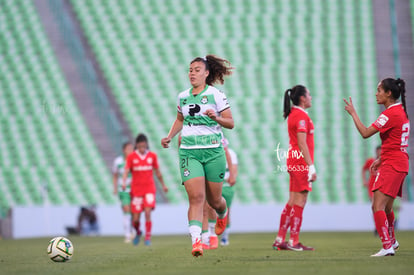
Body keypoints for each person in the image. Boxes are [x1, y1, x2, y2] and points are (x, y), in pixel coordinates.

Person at [161, 54, 234, 257]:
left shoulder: (216, 95)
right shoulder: (183, 96)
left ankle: (222, 213)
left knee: (214, 200)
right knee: (196, 198)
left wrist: (217, 117)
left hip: (213, 152)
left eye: (196, 70)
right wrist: (169, 136)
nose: (192, 73)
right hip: (189, 152)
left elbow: (231, 122)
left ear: (206, 73)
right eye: (190, 70)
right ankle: (197, 241)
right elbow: (179, 120)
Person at [344, 77, 409, 257]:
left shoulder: (389, 114)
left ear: (389, 93)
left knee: (377, 206)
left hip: (393, 164)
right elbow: (396, 140)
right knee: (387, 208)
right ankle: (393, 241)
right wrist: (381, 159)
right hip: (398, 162)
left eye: (379, 90)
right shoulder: (401, 111)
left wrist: (353, 113)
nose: (376, 93)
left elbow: (365, 133)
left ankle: (387, 246)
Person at [272, 85, 316, 251]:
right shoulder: (301, 116)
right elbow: (302, 142)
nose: (311, 98)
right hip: (300, 162)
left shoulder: (294, 114)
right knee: (300, 200)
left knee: (292, 200)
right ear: (303, 98)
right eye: (309, 95)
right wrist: (311, 166)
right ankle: (294, 241)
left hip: (294, 160)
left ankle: (280, 239)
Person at [123, 133, 168, 246]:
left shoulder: (152, 156)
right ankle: (138, 232)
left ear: (146, 145)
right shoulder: (131, 157)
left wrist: (163, 185)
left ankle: (148, 237)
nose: (142, 148)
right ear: (137, 145)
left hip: (149, 189)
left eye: (144, 146)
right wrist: (124, 182)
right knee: (136, 218)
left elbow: (157, 172)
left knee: (148, 212)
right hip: (136, 190)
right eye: (140, 146)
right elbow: (126, 171)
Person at [201, 138, 238, 249]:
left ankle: (225, 236)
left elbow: (234, 169)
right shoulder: (207, 149)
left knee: (226, 210)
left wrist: (232, 176)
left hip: (226, 186)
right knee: (208, 207)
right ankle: (209, 236)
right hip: (214, 183)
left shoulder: (230, 153)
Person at [112, 142, 134, 243]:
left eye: (131, 148)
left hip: (134, 189)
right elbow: (115, 175)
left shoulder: (135, 160)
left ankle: (132, 230)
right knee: (126, 209)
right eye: (128, 149)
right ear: (123, 150)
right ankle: (127, 234)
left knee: (134, 211)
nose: (130, 150)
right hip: (123, 189)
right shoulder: (118, 161)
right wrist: (115, 188)